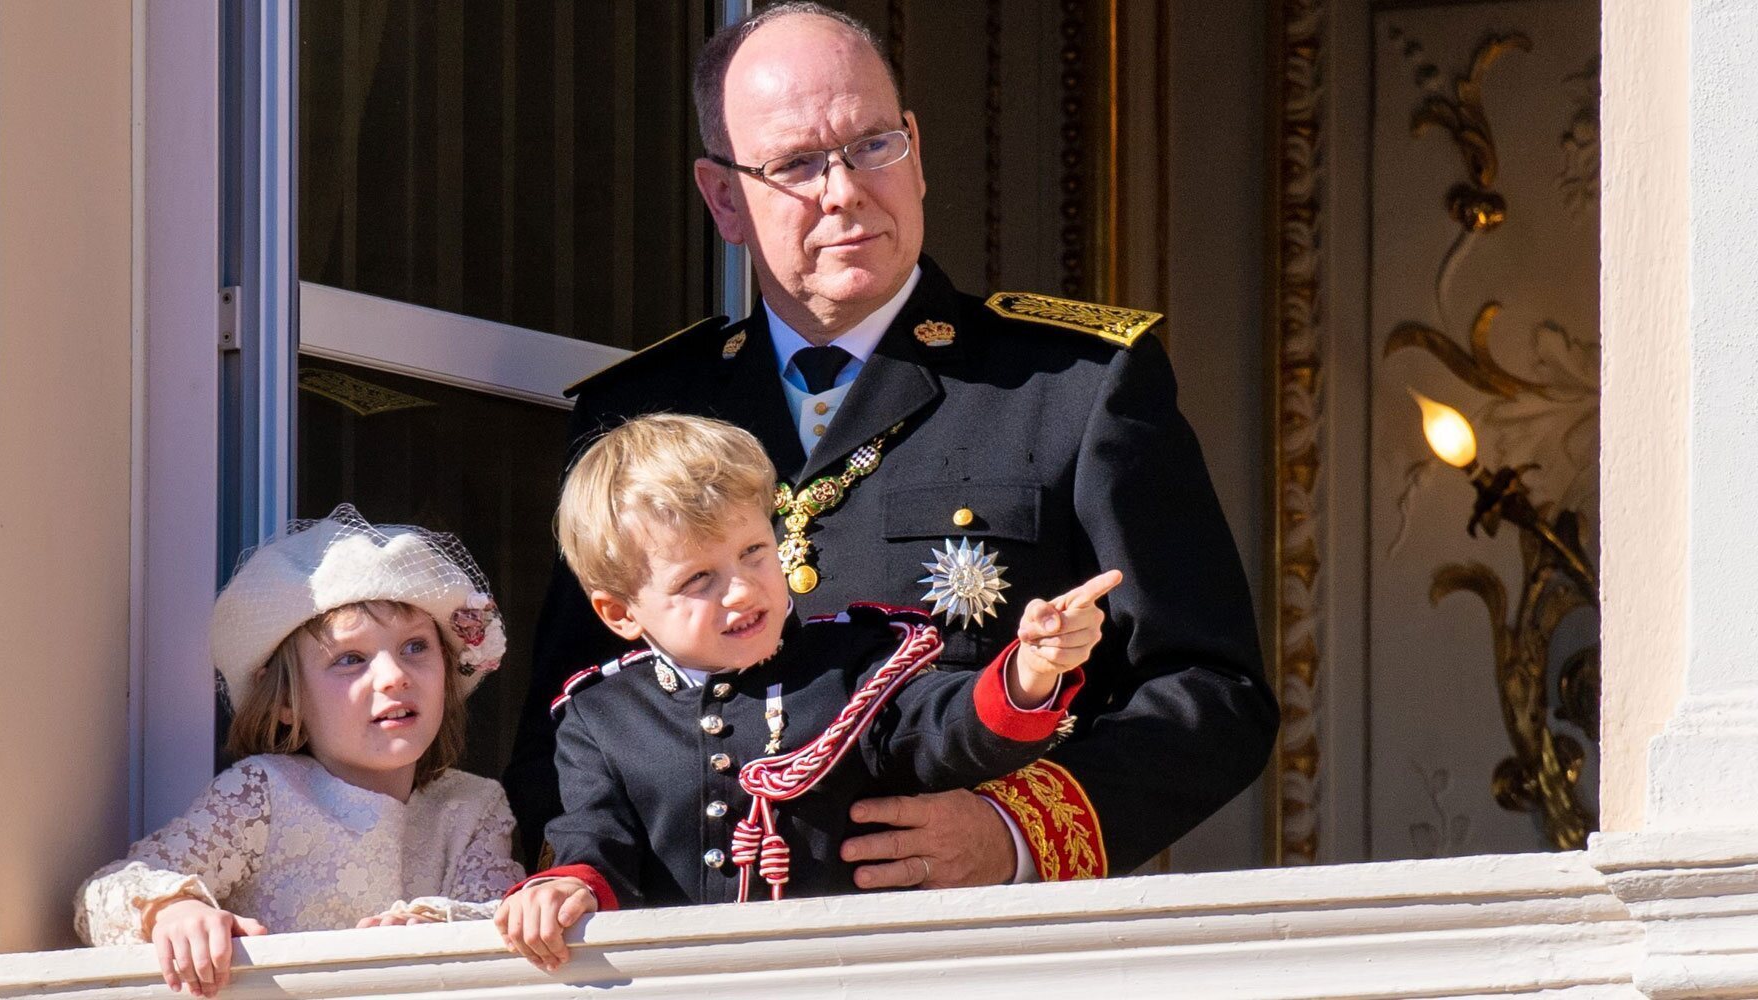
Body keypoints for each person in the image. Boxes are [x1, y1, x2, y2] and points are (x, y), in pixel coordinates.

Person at [506, 2, 1275, 888]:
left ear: (915, 149)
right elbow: (561, 727)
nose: (844, 190)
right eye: (796, 164)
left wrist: (1013, 833)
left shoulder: (1073, 387)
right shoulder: (641, 411)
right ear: (725, 197)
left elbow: (1211, 696)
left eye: (873, 146)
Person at [494, 414, 1102, 971]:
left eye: (754, 552)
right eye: (699, 578)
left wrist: (1031, 670)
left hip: (861, 973)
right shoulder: (601, 715)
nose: (741, 590)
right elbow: (595, 842)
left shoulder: (855, 663)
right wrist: (566, 887)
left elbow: (948, 730)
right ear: (620, 612)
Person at [76, 505, 524, 997]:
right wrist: (174, 911)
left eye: (415, 647)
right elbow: (107, 891)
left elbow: (500, 927)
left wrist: (433, 931)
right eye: (351, 659)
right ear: (287, 701)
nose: (395, 675)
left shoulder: (473, 807)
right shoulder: (264, 794)